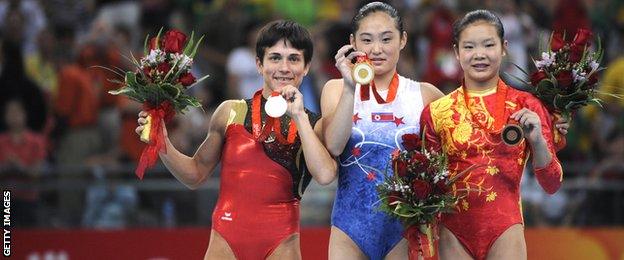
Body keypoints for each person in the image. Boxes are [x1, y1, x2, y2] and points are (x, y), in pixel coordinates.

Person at [136, 20, 337, 259]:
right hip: (224, 241)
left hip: (282, 244)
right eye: (274, 58)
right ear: (259, 65)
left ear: (306, 67)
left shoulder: (315, 125)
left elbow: (325, 175)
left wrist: (299, 117)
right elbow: (195, 174)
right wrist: (161, 141)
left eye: (294, 59)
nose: (284, 67)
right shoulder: (229, 112)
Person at [419, 10, 568, 259]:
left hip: (505, 228)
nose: (479, 54)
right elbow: (426, 186)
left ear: (504, 48)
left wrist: (538, 141)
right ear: (456, 52)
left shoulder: (527, 105)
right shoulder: (436, 112)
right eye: (469, 47)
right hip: (453, 232)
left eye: (489, 45)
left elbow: (552, 184)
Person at [320, 2, 444, 259]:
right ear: (353, 41)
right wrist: (350, 87)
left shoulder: (425, 95)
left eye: (386, 39)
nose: (376, 49)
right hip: (349, 229)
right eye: (367, 40)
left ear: (403, 40)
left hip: (403, 229)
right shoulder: (336, 89)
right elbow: (333, 145)